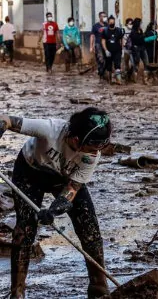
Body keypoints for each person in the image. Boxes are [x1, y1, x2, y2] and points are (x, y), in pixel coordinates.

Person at [0, 108, 112, 298]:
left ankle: (99, 288)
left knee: (89, 228)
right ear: (76, 139)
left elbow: (73, 189)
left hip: (64, 178)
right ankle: (17, 292)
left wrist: (53, 211)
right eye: (92, 147)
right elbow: (7, 120)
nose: (96, 153)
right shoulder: (49, 130)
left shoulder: (92, 155)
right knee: (25, 230)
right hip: (30, 171)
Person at [101, 15, 124, 84]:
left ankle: (118, 80)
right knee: (109, 66)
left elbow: (121, 40)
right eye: (110, 22)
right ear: (108, 23)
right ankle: (109, 80)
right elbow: (103, 41)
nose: (112, 24)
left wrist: (122, 49)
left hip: (117, 51)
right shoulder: (105, 31)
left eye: (113, 22)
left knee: (117, 65)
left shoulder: (119, 30)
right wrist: (105, 50)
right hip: (108, 51)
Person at [127, 18, 149, 83]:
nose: (141, 24)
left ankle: (145, 80)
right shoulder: (133, 32)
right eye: (140, 23)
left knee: (146, 63)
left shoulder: (141, 30)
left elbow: (142, 39)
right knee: (136, 63)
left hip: (142, 48)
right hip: (136, 49)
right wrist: (143, 36)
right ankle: (134, 79)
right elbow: (136, 39)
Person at [89, 12, 107, 81]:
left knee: (106, 59)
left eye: (105, 16)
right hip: (98, 44)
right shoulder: (95, 26)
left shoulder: (107, 25)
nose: (105, 17)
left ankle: (103, 72)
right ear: (100, 17)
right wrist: (91, 46)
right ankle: (101, 73)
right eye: (103, 16)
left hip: (106, 45)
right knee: (100, 59)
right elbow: (92, 36)